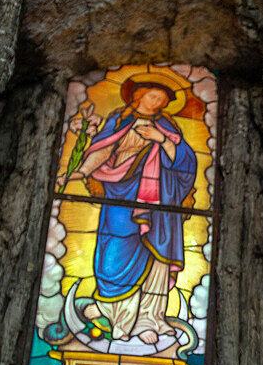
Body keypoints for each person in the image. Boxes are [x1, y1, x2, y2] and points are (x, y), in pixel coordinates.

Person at [61, 79, 197, 344]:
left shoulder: (166, 126)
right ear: (138, 96)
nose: (157, 103)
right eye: (153, 97)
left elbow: (186, 163)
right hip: (119, 197)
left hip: (159, 205)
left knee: (155, 256)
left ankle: (149, 319)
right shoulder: (118, 120)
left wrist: (162, 140)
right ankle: (115, 317)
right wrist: (82, 171)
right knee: (115, 254)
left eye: (162, 100)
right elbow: (103, 148)